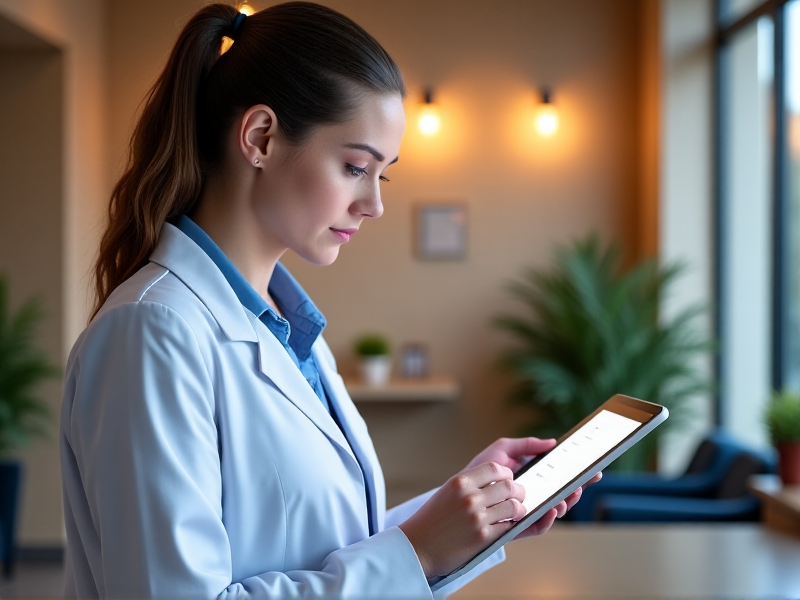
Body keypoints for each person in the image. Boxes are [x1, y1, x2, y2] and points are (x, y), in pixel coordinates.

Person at [60, 3, 595, 598]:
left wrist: (456, 517)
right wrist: (417, 551)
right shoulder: (153, 332)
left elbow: (326, 550)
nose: (374, 204)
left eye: (382, 175)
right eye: (354, 167)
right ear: (260, 138)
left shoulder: (288, 332)